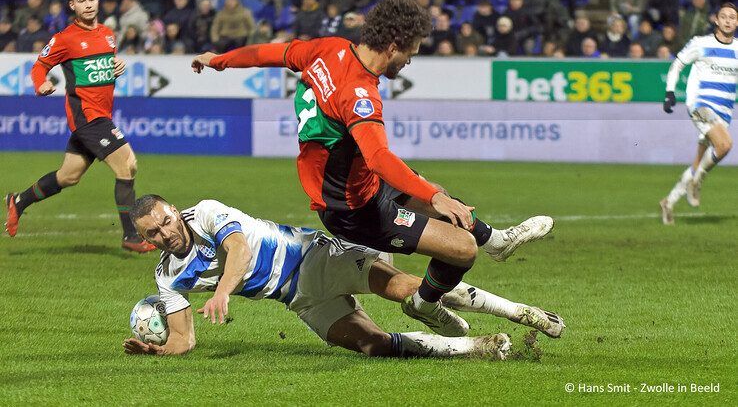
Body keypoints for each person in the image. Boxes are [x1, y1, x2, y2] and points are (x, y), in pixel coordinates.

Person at [191, 0, 554, 335]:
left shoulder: (328, 50)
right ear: (394, 45)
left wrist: (218, 60)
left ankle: (497, 242)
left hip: (361, 182)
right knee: (461, 249)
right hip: (352, 209)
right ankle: (425, 305)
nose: (410, 60)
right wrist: (435, 200)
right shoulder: (359, 94)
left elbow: (271, 52)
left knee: (437, 194)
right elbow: (379, 157)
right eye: (410, 52)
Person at [122, 195, 565, 357]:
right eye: (152, 233)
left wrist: (221, 293)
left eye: (165, 221)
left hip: (318, 257)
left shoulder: (206, 212)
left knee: (406, 289)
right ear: (145, 238)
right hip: (302, 301)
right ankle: (475, 346)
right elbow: (184, 340)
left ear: (173, 211)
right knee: (371, 346)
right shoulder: (168, 278)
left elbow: (237, 249)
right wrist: (157, 351)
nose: (165, 232)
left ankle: (522, 313)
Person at [3, 0, 154, 253]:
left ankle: (19, 201)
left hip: (101, 115)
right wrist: (42, 84)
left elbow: (102, 68)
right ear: (72, 5)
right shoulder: (65, 39)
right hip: (87, 117)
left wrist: (114, 67)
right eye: (81, 0)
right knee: (128, 164)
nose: (88, 5)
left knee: (69, 176)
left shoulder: (108, 34)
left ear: (98, 1)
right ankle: (131, 236)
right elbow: (39, 67)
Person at [660, 3, 738, 224]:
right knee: (725, 145)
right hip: (701, 105)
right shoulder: (701, 43)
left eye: (733, 17)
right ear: (716, 20)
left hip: (723, 112)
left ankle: (669, 201)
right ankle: (696, 183)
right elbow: (677, 65)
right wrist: (669, 92)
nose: (728, 20)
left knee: (698, 162)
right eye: (724, 16)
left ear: (737, 22)